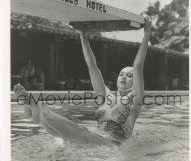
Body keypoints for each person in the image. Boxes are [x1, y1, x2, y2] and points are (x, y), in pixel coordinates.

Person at [13, 16, 152, 147]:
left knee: (83, 133)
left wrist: (146, 34)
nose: (123, 77)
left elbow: (138, 66)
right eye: (121, 74)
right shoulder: (105, 95)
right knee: (74, 133)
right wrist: (83, 36)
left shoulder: (135, 100)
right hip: (96, 140)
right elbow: (92, 64)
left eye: (129, 76)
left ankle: (39, 111)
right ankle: (37, 112)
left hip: (112, 144)